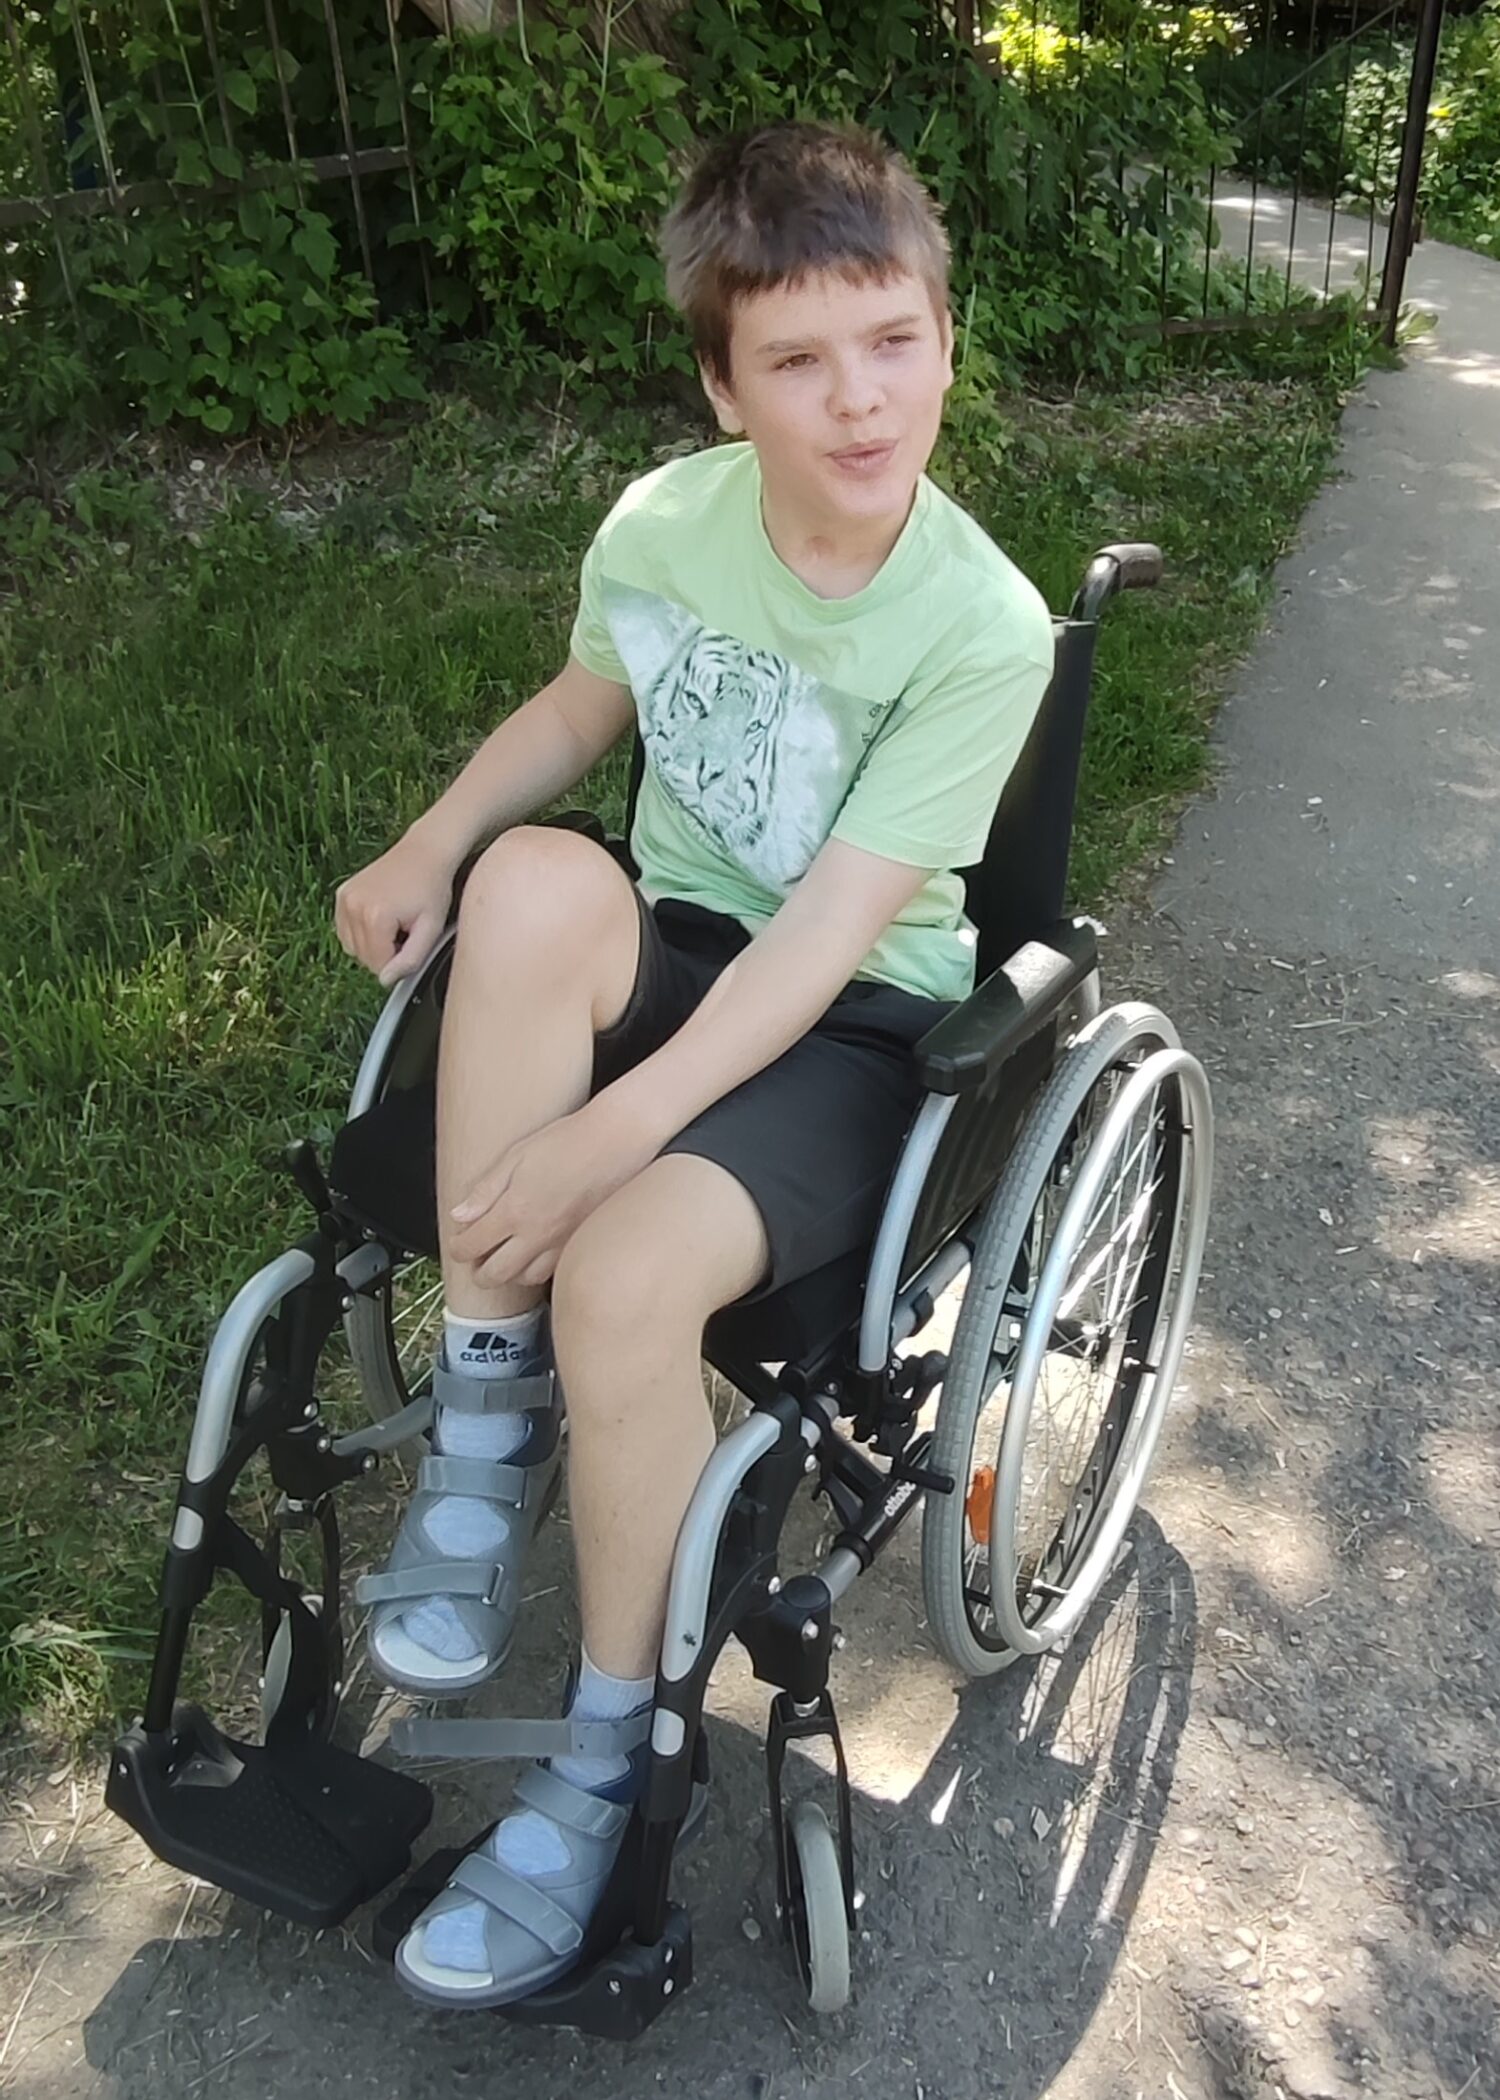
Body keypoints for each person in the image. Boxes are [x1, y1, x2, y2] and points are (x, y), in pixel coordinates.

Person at [332, 119, 1055, 2009]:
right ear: (724, 387)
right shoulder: (665, 524)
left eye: (891, 341)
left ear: (947, 338)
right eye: (798, 360)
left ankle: (608, 1761)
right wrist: (429, 842)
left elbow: (822, 942)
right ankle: (486, 1416)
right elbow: (585, 704)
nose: (858, 399)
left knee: (632, 1268)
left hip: (855, 1024)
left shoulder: (978, 625)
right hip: (681, 946)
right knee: (532, 876)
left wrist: (611, 1144)